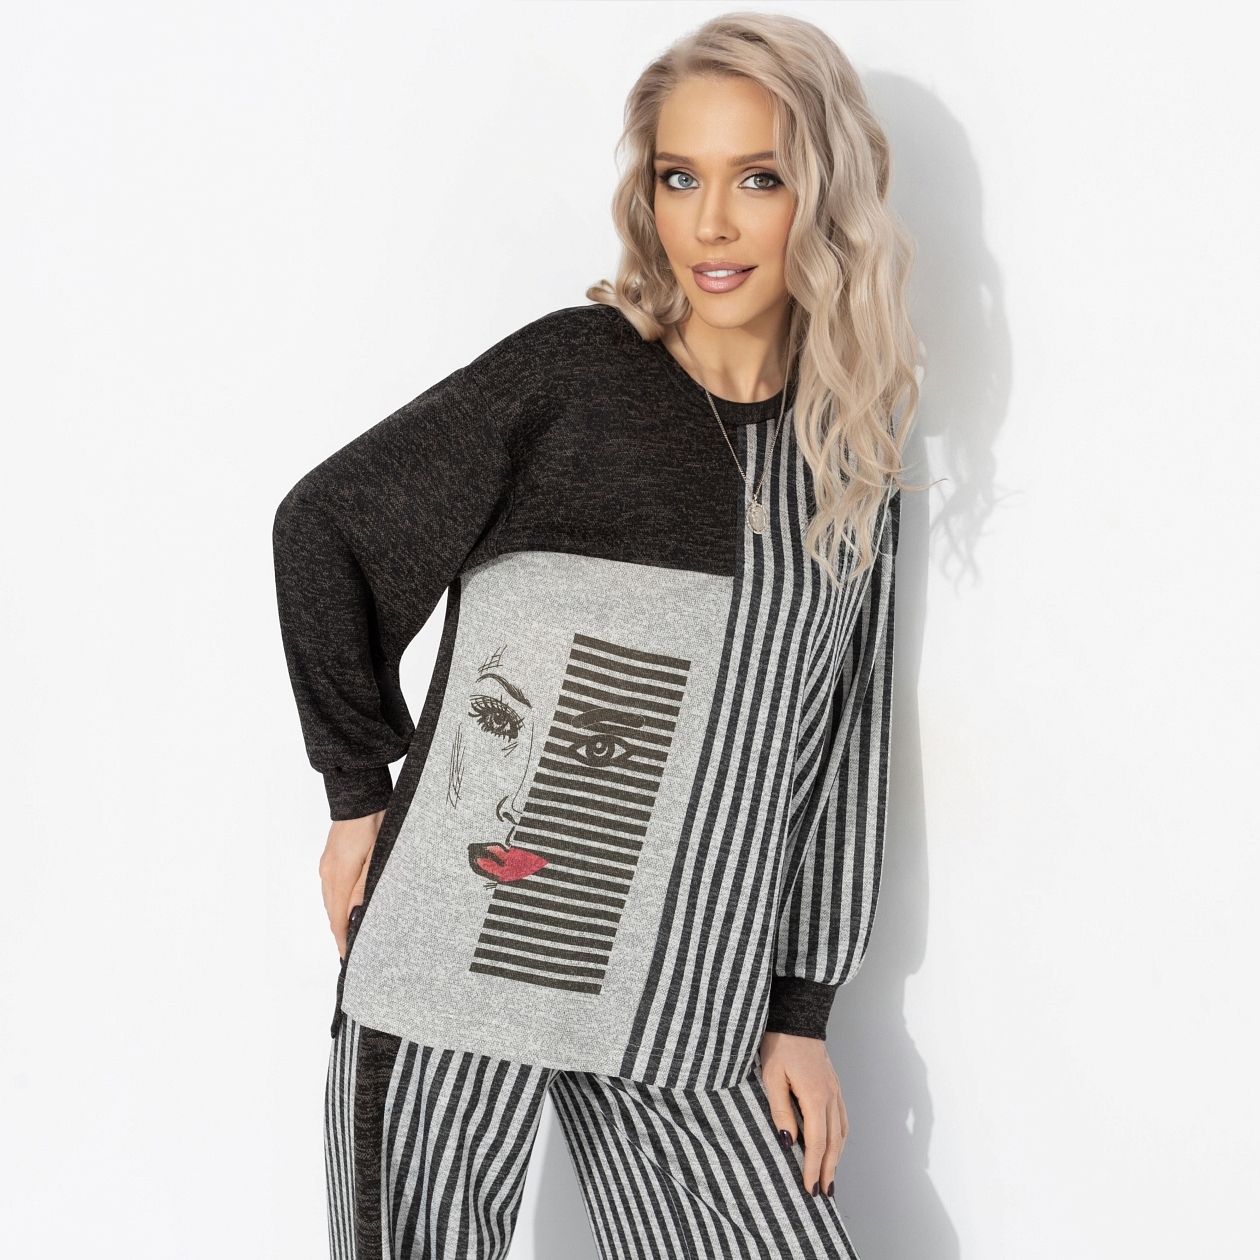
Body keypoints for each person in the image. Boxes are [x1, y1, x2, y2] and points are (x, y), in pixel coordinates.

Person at [273, 12, 917, 1259]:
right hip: (466, 954)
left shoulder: (851, 450)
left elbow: (843, 747)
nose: (711, 223)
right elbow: (326, 529)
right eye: (680, 178)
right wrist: (357, 796)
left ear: (827, 193)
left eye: (759, 179)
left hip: (689, 996)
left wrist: (800, 1010)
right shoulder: (578, 376)